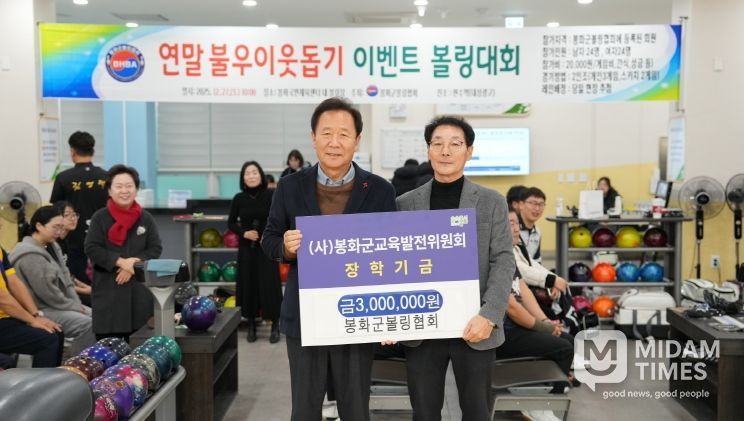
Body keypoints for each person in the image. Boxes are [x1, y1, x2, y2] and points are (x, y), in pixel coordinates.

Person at [262, 97, 396, 421]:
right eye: (326, 133)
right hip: (305, 315)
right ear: (313, 138)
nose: (334, 142)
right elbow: (269, 239)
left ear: (357, 140)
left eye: (344, 134)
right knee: (305, 409)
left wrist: (390, 312)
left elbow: (392, 253)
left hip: (358, 315)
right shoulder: (289, 186)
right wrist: (286, 247)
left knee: (355, 409)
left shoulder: (380, 190)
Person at [396, 115, 514, 421]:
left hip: (475, 326)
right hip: (422, 327)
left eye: (455, 144)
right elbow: (395, 263)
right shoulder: (405, 204)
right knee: (424, 412)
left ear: (469, 151)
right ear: (428, 150)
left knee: (476, 411)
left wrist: (490, 315)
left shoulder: (492, 202)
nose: (445, 151)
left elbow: (503, 260)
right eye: (437, 143)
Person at [85, 165, 162, 341]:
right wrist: (121, 262)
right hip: (108, 288)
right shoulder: (100, 217)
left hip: (139, 290)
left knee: (140, 343)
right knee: (108, 347)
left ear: (136, 189)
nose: (124, 191)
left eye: (129, 186)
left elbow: (155, 248)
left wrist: (133, 264)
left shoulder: (146, 218)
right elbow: (92, 248)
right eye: (119, 186)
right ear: (109, 191)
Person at [10, 206, 96, 354]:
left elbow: (66, 278)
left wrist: (75, 303)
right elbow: (48, 294)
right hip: (39, 309)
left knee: (99, 317)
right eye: (55, 227)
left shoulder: (52, 246)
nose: (59, 231)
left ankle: (85, 358)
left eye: (61, 227)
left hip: (55, 304)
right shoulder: (29, 254)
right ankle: (77, 362)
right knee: (89, 323)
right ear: (39, 226)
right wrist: (74, 306)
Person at [228, 161, 283, 344]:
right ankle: (251, 323)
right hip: (247, 248)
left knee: (270, 285)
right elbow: (231, 222)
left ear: (260, 175)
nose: (251, 176)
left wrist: (269, 234)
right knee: (248, 285)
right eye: (247, 173)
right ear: (243, 178)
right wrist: (244, 233)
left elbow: (279, 218)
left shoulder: (271, 194)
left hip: (266, 247)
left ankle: (275, 325)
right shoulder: (239, 198)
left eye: (254, 172)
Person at [50, 131, 108, 288]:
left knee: (76, 283)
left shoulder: (63, 178)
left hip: (72, 241)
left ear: (72, 151)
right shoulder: (106, 176)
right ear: (93, 151)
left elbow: (55, 211)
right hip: (103, 239)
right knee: (102, 282)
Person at [0, 234, 64, 367]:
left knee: (56, 332)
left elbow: (14, 282)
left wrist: (35, 315)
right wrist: (31, 320)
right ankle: (41, 381)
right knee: (47, 339)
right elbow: (2, 298)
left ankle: (52, 379)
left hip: (5, 318)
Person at [54, 201, 93, 306]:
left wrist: (87, 288)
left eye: (74, 214)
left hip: (69, 288)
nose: (73, 218)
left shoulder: (65, 242)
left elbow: (68, 276)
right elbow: (57, 282)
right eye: (67, 215)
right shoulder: (52, 244)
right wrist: (86, 291)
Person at [518, 187, 547, 264]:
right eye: (533, 203)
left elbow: (537, 261)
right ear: (521, 205)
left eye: (541, 204)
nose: (537, 208)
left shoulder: (537, 232)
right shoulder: (512, 228)